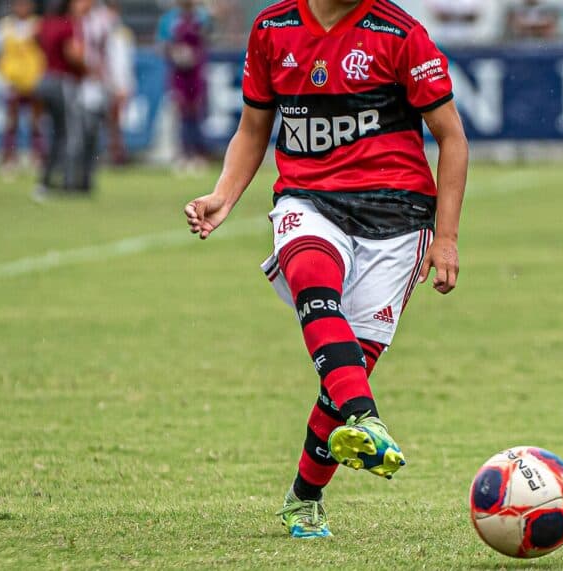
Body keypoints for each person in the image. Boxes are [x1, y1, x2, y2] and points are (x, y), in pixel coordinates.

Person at [184, 0, 468, 539]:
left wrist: (447, 238)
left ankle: (303, 498)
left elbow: (452, 137)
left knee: (345, 369)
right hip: (309, 201)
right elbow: (252, 130)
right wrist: (224, 194)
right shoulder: (273, 29)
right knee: (316, 291)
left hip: (398, 216)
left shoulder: (401, 34)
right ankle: (368, 418)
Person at [35, 0, 93, 198]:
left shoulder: (46, 22)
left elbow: (37, 41)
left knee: (54, 133)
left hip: (45, 79)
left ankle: (45, 181)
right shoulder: (69, 24)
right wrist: (87, 70)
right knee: (70, 133)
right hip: (62, 82)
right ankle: (69, 183)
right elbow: (72, 55)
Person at [0, 0, 46, 176]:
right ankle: (9, 160)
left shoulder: (38, 25)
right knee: (12, 122)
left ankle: (38, 158)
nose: (22, 8)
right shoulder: (4, 26)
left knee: (36, 122)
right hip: (12, 82)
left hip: (34, 81)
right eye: (19, 4)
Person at [157, 0, 211, 172]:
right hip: (179, 74)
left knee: (196, 112)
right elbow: (162, 45)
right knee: (181, 113)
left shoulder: (202, 17)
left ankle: (197, 153)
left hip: (196, 73)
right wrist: (176, 53)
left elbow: (207, 41)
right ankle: (183, 153)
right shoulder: (169, 20)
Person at [103, 0, 134, 164]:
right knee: (108, 121)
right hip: (105, 84)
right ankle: (111, 153)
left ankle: (118, 155)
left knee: (118, 122)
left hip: (120, 83)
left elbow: (125, 62)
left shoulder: (123, 33)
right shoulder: (100, 31)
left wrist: (125, 85)